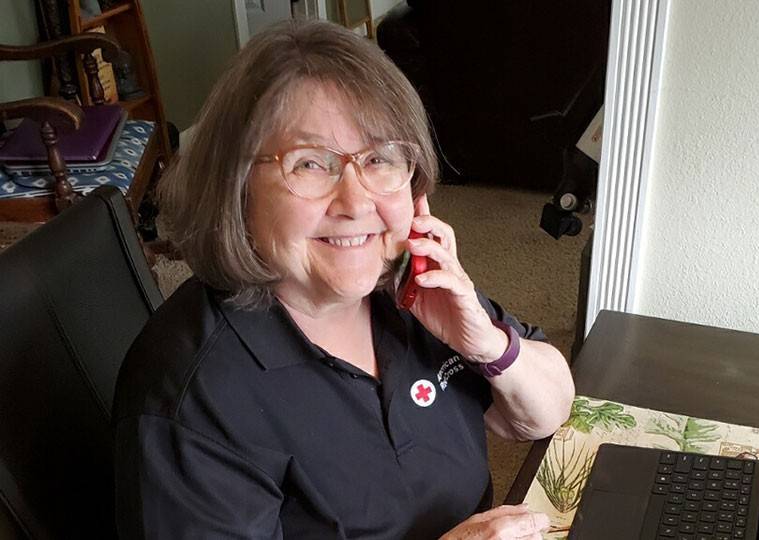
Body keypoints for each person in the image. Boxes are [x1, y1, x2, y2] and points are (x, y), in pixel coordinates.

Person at [112, 20, 575, 539]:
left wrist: (485, 343)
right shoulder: (193, 400)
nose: (357, 203)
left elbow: (544, 414)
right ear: (236, 188)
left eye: (379, 159)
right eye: (310, 164)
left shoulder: (409, 287)